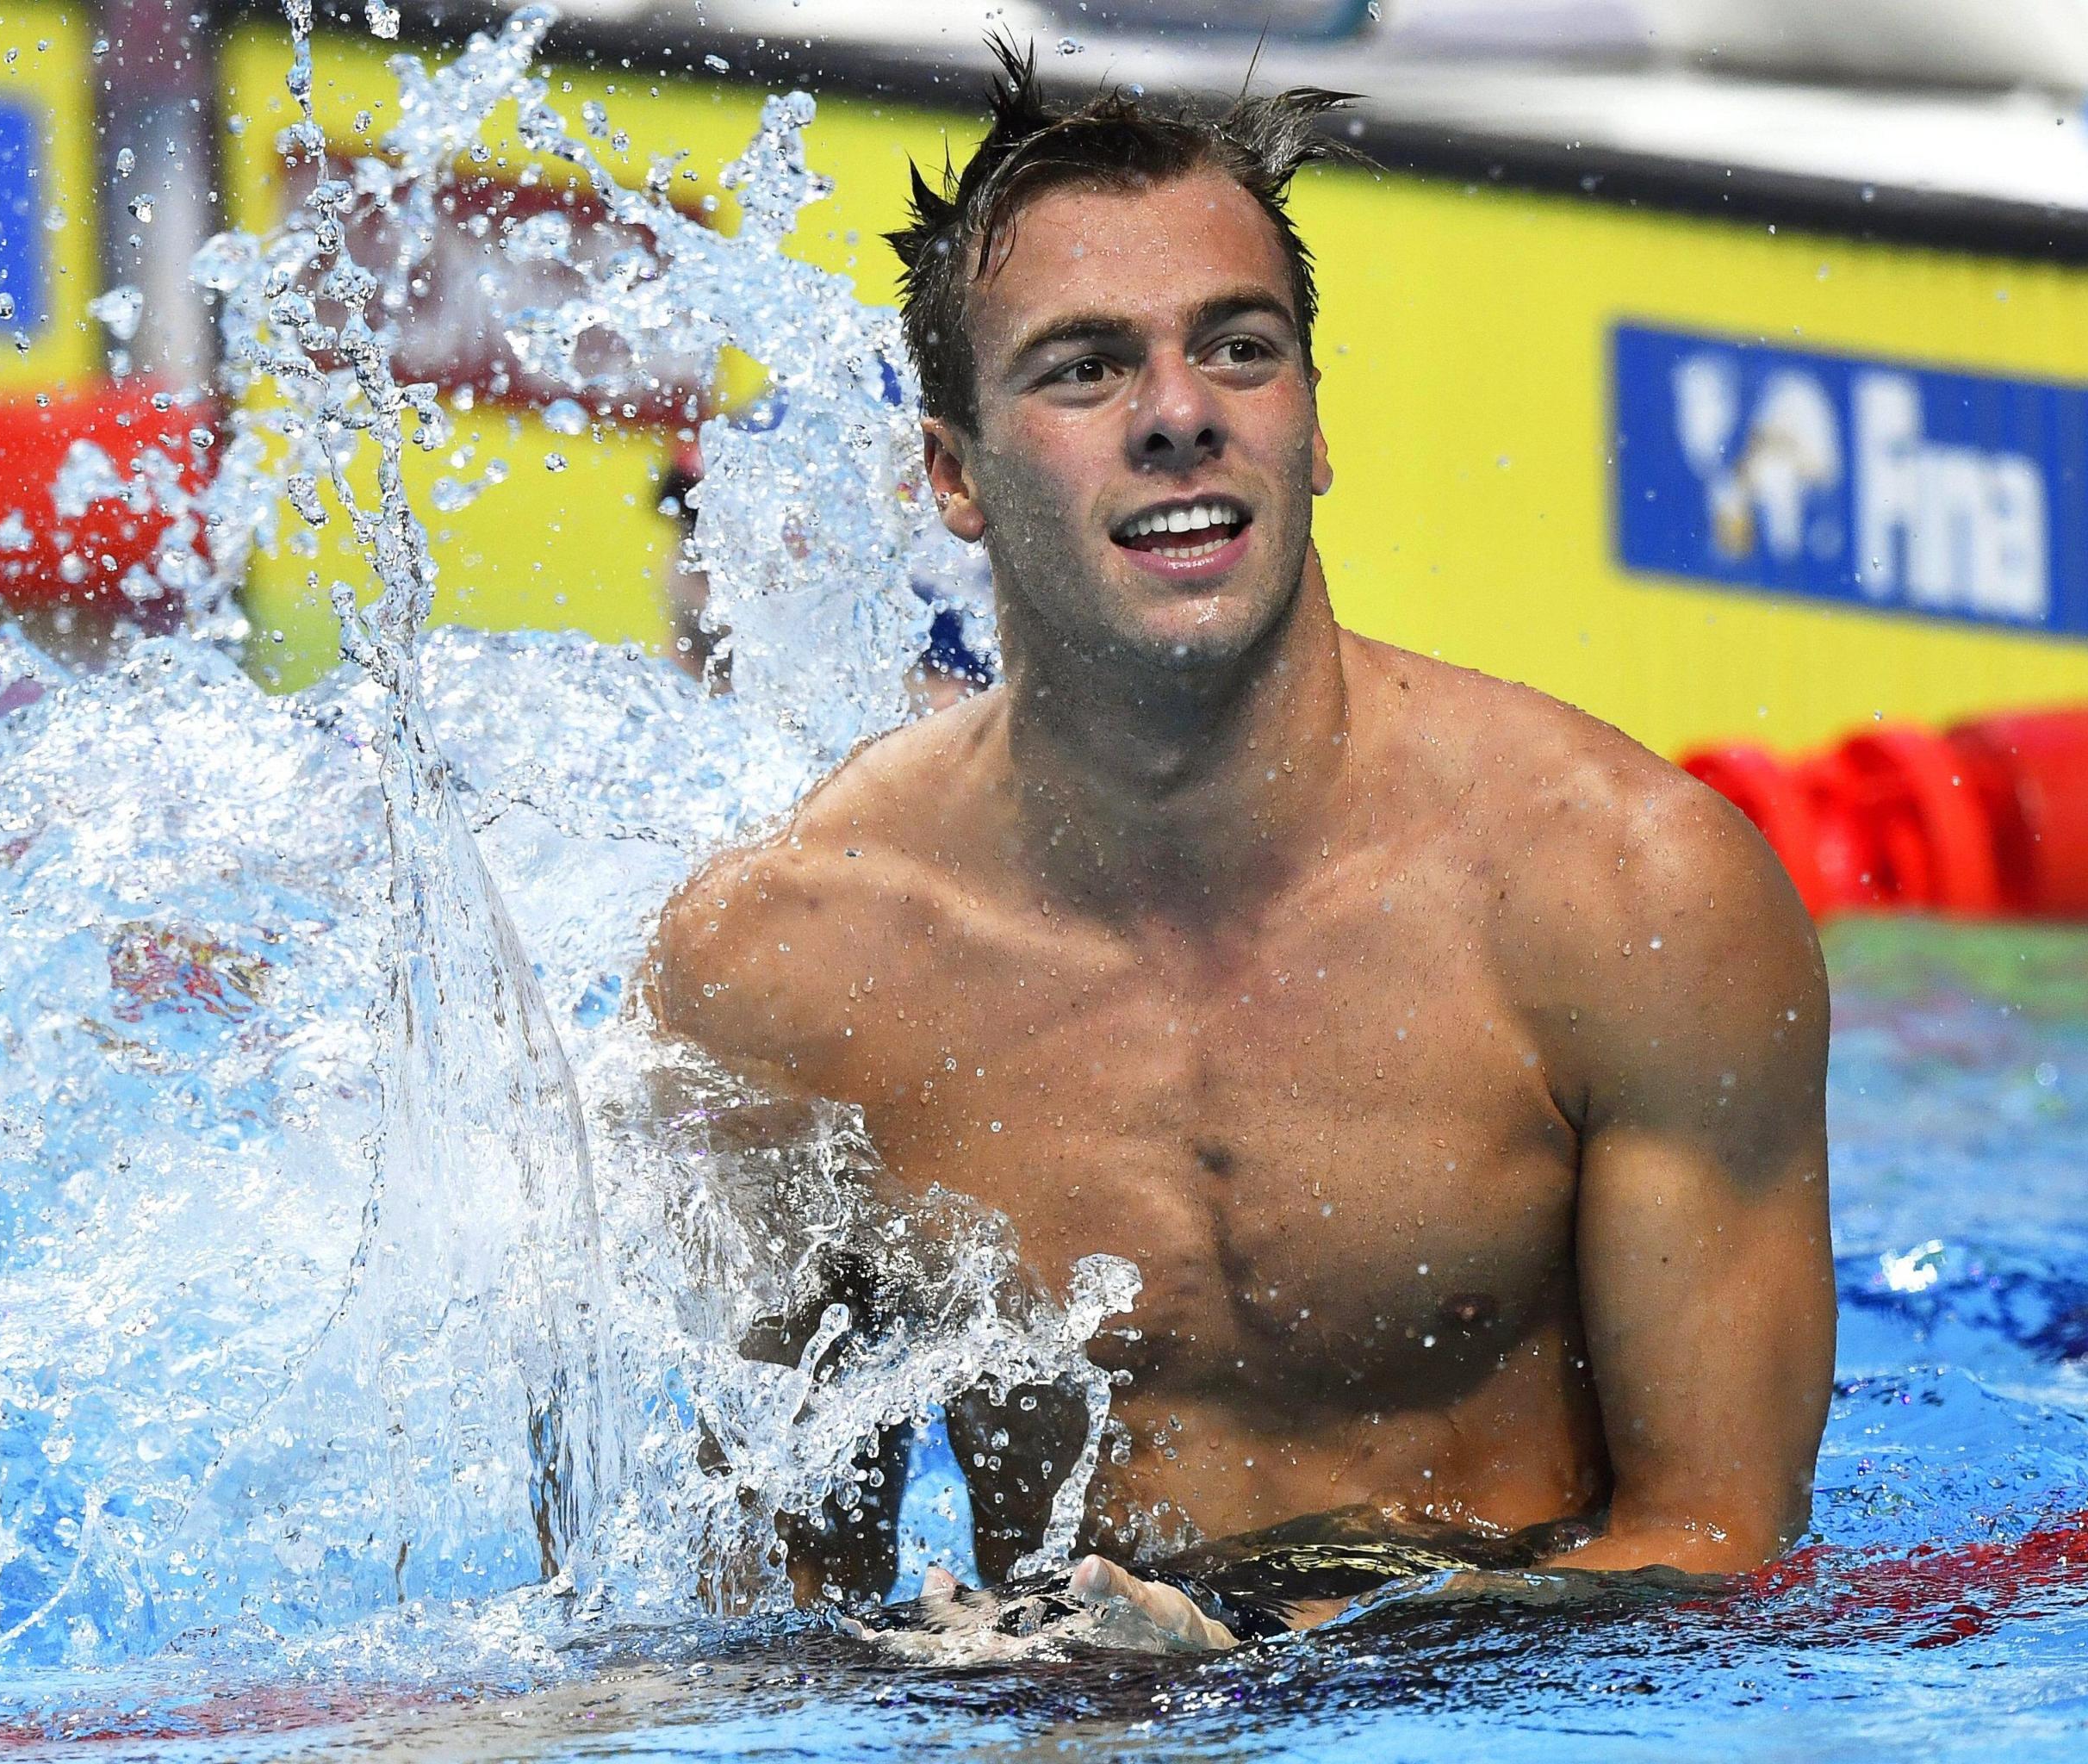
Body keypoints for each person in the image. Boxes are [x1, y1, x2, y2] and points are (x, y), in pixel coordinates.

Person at [643, 42, 1835, 1648]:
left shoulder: (1624, 895)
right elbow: (762, 1638)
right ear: (952, 476)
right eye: (1083, 369)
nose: (1180, 416)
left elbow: (1717, 1561)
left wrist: (1288, 1666)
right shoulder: (781, 978)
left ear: (1317, 425)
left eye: (1240, 350)